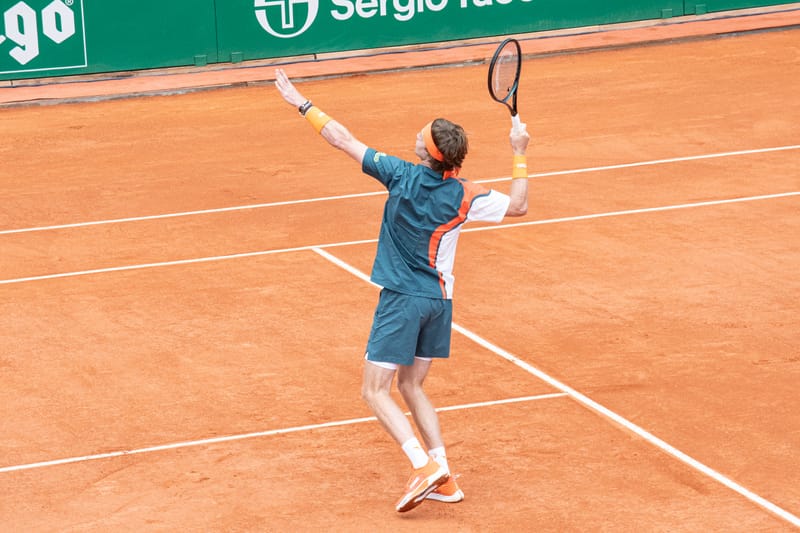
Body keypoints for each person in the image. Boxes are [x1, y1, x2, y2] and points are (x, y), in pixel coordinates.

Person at [274, 68, 530, 513]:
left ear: (428, 151)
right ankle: (444, 476)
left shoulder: (399, 175)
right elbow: (520, 205)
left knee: (374, 391)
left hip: (402, 301)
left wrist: (302, 103)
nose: (416, 133)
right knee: (412, 385)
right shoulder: (466, 194)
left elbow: (340, 138)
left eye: (421, 134)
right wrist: (519, 151)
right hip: (438, 302)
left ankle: (421, 464)